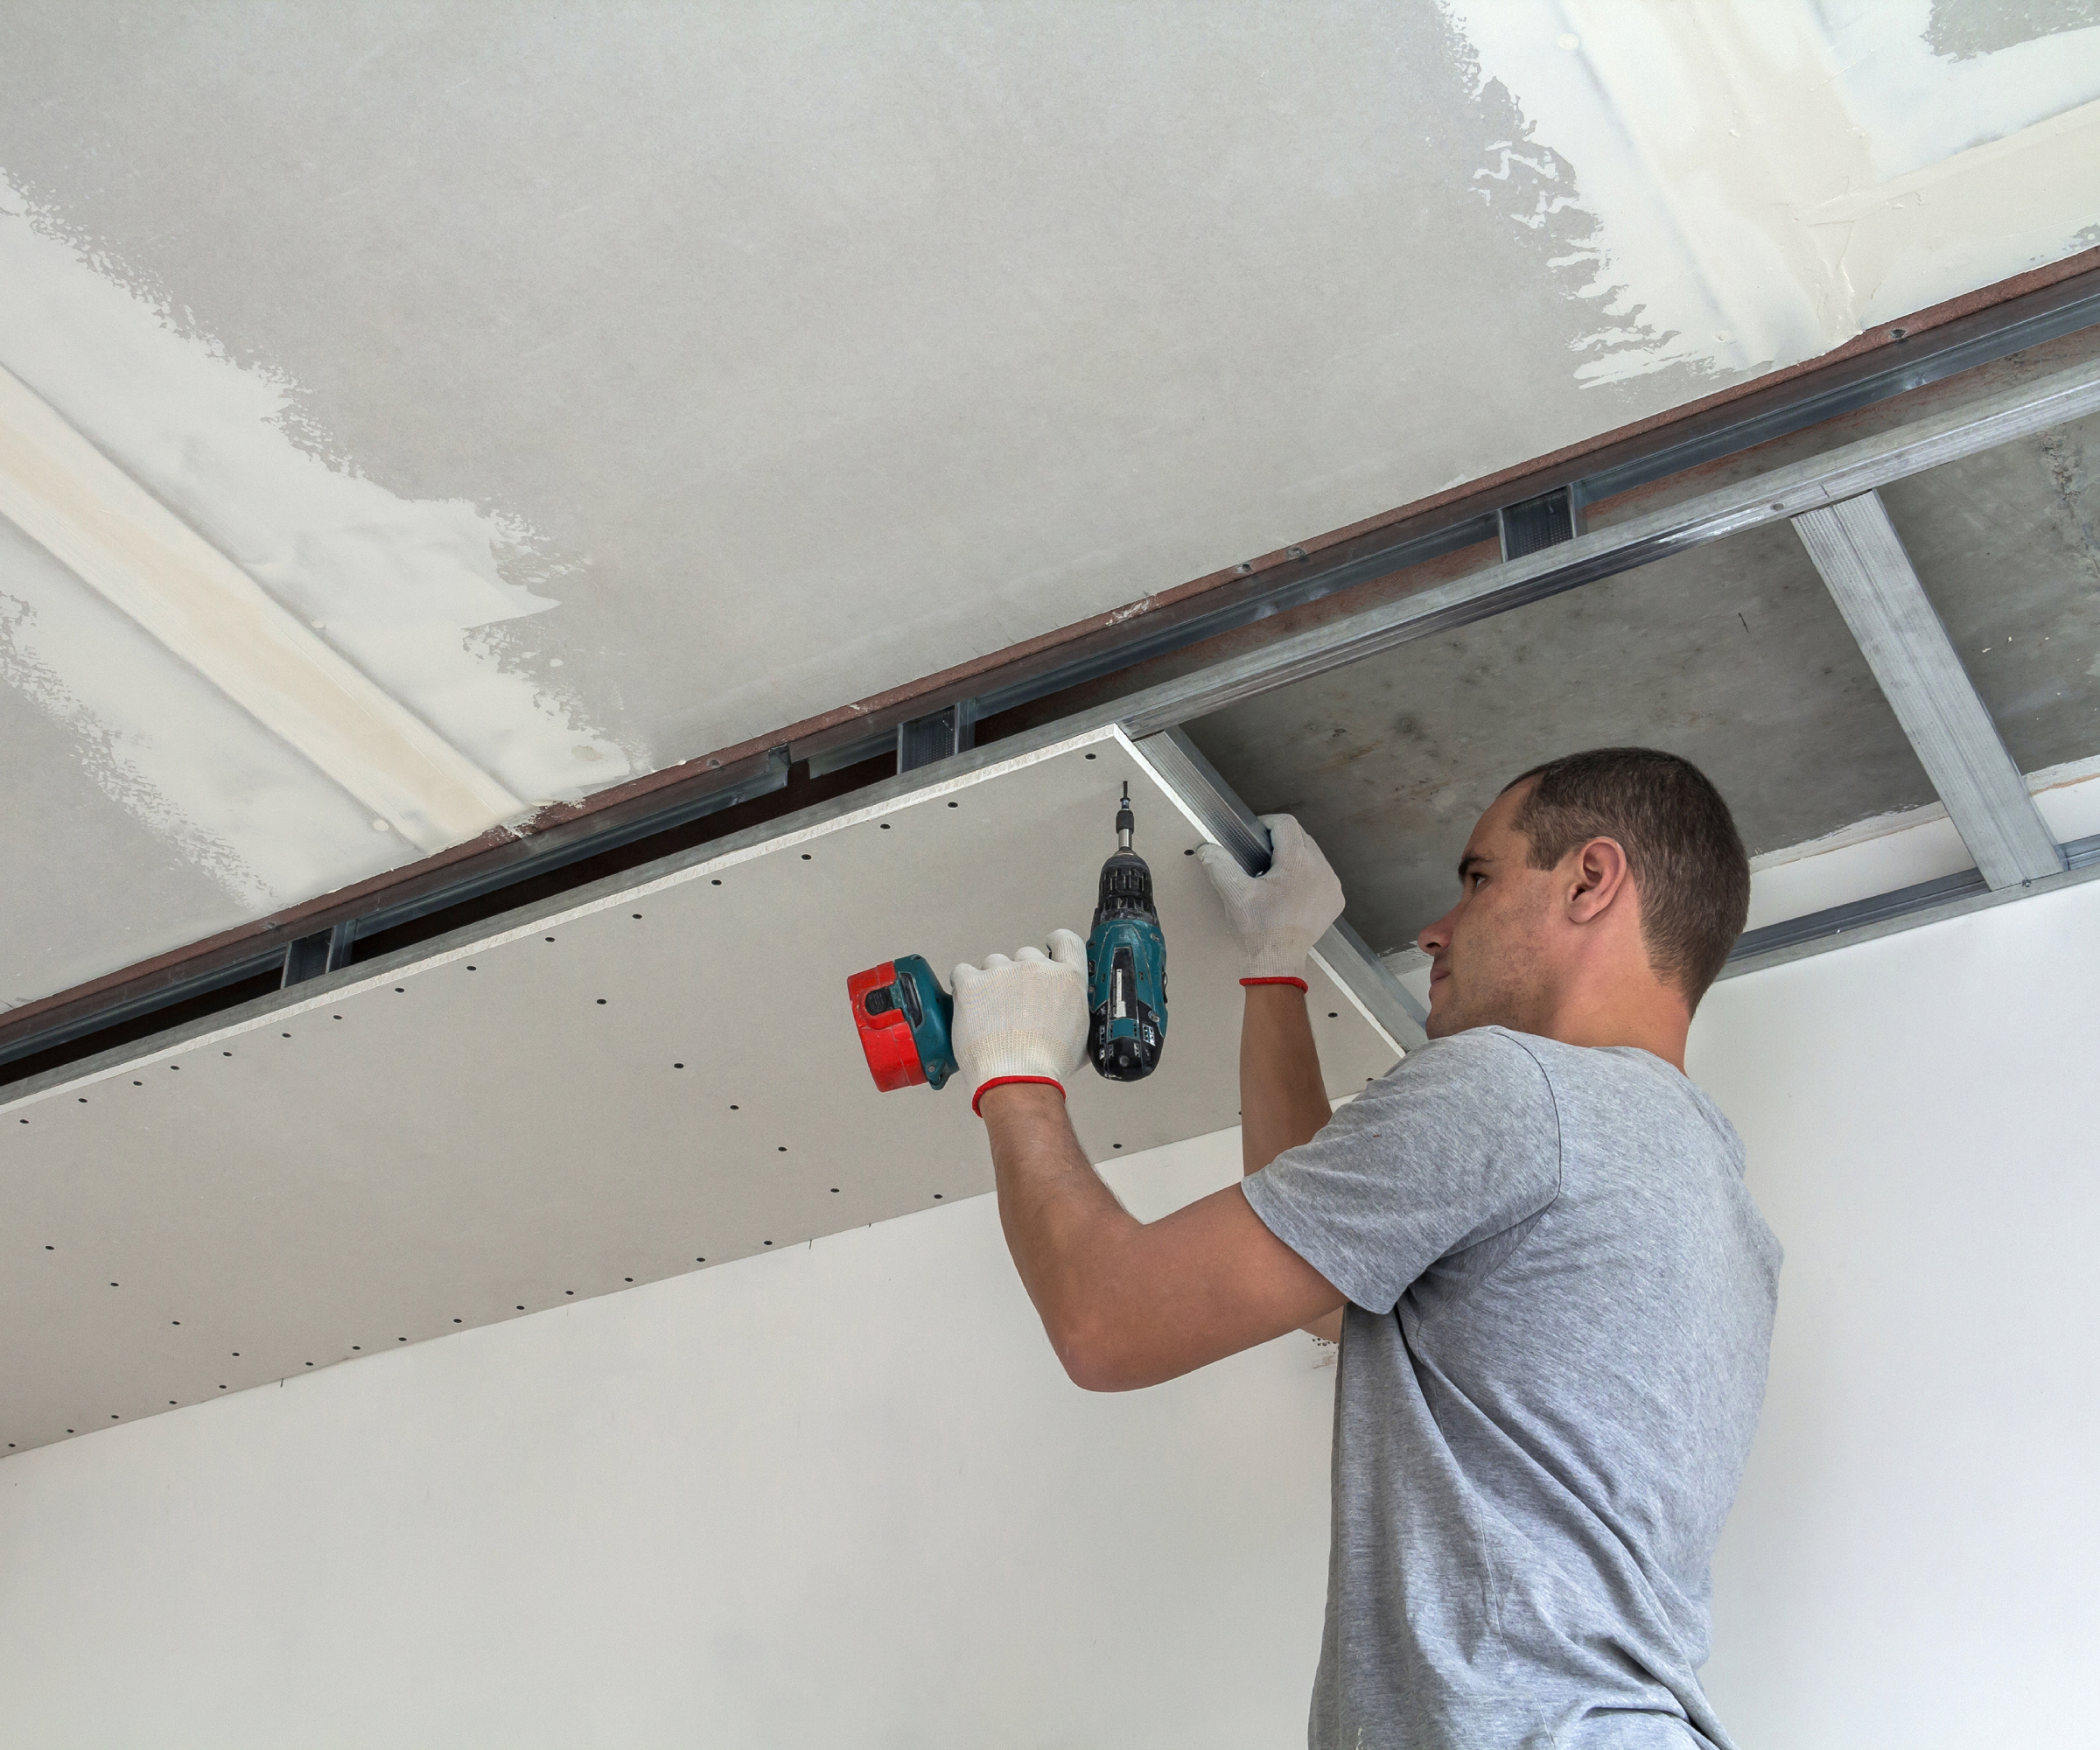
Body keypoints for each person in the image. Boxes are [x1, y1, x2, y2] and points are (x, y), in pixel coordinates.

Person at [950, 746, 1781, 1748]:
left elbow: (1107, 1317)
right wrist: (1274, 968)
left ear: (1591, 879)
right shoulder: (1711, 1200)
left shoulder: (1515, 1088)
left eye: (1478, 879)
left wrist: (1014, 1071)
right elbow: (1327, 1278)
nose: (1435, 927)